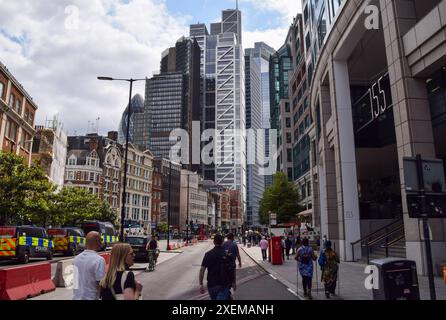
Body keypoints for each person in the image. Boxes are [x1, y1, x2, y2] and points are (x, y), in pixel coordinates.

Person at [73, 231, 106, 300]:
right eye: (101, 240)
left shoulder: (76, 259)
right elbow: (100, 284)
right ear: (98, 242)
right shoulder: (99, 260)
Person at [199, 234, 233, 300]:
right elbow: (232, 268)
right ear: (222, 242)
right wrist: (233, 282)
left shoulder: (208, 254)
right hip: (224, 284)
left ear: (214, 242)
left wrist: (201, 284)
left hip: (212, 285)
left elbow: (202, 270)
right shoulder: (226, 254)